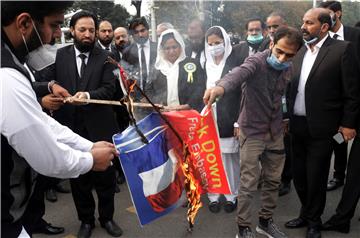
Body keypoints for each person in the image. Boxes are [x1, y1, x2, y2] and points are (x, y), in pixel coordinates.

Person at [1, 2, 117, 237]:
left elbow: (41, 122)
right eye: (54, 25)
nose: (56, 34)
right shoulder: (7, 75)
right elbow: (47, 157)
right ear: (24, 23)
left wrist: (88, 146)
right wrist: (90, 159)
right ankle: (86, 220)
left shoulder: (12, 63)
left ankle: (106, 218)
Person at [204, 26, 303, 238]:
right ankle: (244, 228)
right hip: (252, 132)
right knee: (248, 184)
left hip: (275, 132)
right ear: (271, 44)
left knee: (273, 181)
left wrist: (284, 118)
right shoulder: (256, 62)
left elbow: (282, 97)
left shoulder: (288, 68)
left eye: (289, 55)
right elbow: (236, 76)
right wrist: (219, 88)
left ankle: (265, 223)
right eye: (279, 51)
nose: (283, 57)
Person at [285, 8, 360, 238]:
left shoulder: (341, 50)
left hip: (324, 128)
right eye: (303, 22)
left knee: (316, 175)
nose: (303, 27)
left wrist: (348, 124)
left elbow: (352, 92)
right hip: (296, 126)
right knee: (299, 175)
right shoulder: (298, 51)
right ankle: (306, 213)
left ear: (324, 26)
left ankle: (314, 221)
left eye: (309, 23)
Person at [52, 10, 122, 238]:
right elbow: (49, 82)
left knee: (105, 179)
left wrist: (88, 95)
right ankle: (86, 221)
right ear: (72, 30)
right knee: (79, 179)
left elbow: (109, 89)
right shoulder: (60, 55)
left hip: (100, 127)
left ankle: (107, 218)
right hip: (71, 129)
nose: (88, 34)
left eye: (91, 30)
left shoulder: (106, 57)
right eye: (82, 30)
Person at [203, 26, 246, 214]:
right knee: (211, 158)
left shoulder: (236, 62)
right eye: (210, 44)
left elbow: (243, 93)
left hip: (229, 117)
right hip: (209, 118)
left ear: (225, 42)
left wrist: (239, 121)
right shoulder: (205, 63)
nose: (214, 47)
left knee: (229, 159)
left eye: (217, 43)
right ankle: (213, 195)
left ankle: (231, 194)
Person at [318, 0, 360, 192]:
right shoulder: (321, 38)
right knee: (338, 138)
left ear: (338, 14)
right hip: (333, 100)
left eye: (327, 14)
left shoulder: (355, 35)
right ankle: (338, 174)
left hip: (354, 96)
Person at [266, 11, 292, 197]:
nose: (273, 30)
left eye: (276, 26)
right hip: (267, 107)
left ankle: (286, 180)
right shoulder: (264, 46)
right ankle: (270, 178)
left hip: (287, 106)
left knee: (286, 147)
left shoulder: (296, 46)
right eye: (270, 27)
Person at [148, 29, 205, 112]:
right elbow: (149, 89)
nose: (171, 51)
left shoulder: (193, 63)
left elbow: (201, 87)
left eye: (174, 47)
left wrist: (188, 105)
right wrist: (158, 104)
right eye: (167, 48)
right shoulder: (157, 68)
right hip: (163, 115)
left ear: (181, 46)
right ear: (162, 50)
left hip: (188, 112)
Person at [122, 17, 157, 98]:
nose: (140, 35)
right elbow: (125, 77)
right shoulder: (127, 52)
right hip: (136, 99)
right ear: (132, 35)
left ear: (148, 30)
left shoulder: (158, 48)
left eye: (142, 30)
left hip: (157, 97)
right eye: (136, 32)